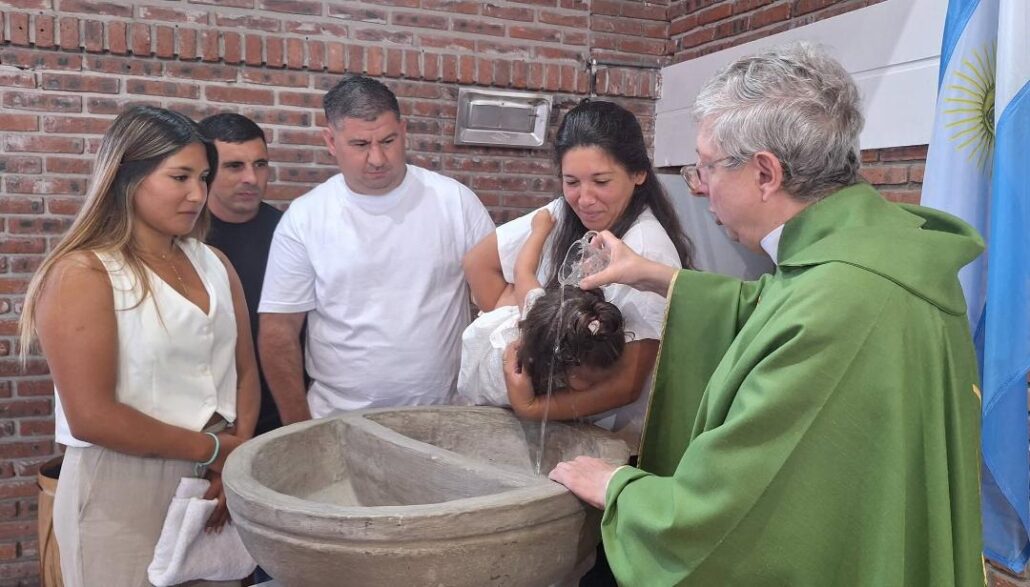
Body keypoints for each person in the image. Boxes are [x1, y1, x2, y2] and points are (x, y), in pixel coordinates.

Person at [549, 43, 984, 586]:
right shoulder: (871, 248)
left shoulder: (842, 302)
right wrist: (654, 275)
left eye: (705, 166)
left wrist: (620, 488)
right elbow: (771, 307)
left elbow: (733, 510)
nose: (700, 184)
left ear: (764, 174)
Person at [18, 106, 260, 587]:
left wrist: (238, 459)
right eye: (180, 177)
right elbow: (92, 415)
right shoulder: (84, 273)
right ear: (127, 177)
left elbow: (246, 371)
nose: (198, 194)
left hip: (216, 473)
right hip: (121, 485)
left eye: (204, 177)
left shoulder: (214, 262)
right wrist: (216, 449)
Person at [258, 75, 494, 423]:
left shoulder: (455, 202)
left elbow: (499, 303)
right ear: (331, 141)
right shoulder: (305, 217)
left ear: (403, 130)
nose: (377, 158)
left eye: (388, 140)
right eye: (360, 144)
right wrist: (298, 426)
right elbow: (278, 331)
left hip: (444, 417)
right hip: (339, 420)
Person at [464, 100, 694, 452]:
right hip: (556, 422)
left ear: (638, 173)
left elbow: (627, 384)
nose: (584, 199)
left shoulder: (646, 248)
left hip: (615, 440)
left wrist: (533, 408)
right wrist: (511, 316)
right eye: (571, 181)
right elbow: (479, 262)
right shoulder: (563, 211)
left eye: (601, 181)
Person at [457, 210, 625, 408]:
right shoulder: (518, 376)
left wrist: (540, 230)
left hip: (513, 325)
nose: (596, 386)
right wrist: (538, 230)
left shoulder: (540, 314)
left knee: (514, 294)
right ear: (565, 366)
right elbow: (521, 271)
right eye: (589, 380)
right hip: (486, 366)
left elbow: (524, 270)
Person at [200, 113, 285, 436]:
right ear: (207, 172)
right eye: (235, 166)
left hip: (281, 418)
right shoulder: (186, 239)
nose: (251, 177)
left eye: (260, 164)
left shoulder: (291, 234)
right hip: (206, 425)